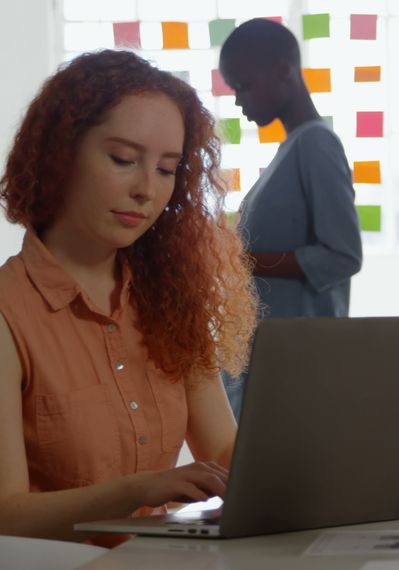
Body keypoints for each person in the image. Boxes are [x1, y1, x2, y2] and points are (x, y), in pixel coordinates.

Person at [0, 50, 258, 545]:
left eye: (167, 169)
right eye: (123, 160)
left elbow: (225, 448)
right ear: (60, 154)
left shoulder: (170, 299)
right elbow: (5, 515)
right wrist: (141, 489)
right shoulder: (9, 314)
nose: (147, 190)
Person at [218, 19, 363, 418]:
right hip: (269, 359)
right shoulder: (290, 150)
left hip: (299, 366)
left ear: (284, 70)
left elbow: (343, 256)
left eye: (243, 86)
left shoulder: (316, 144)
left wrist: (239, 260)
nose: (238, 101)